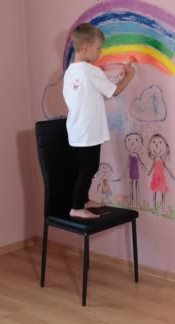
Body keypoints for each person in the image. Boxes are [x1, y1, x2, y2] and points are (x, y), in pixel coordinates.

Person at [63, 23, 135, 218]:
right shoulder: (90, 71)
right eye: (98, 48)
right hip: (90, 130)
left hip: (76, 130)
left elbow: (93, 91)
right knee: (89, 167)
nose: (100, 52)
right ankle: (77, 207)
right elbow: (114, 91)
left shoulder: (71, 72)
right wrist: (129, 76)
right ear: (86, 48)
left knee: (82, 166)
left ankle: (83, 200)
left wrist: (115, 76)